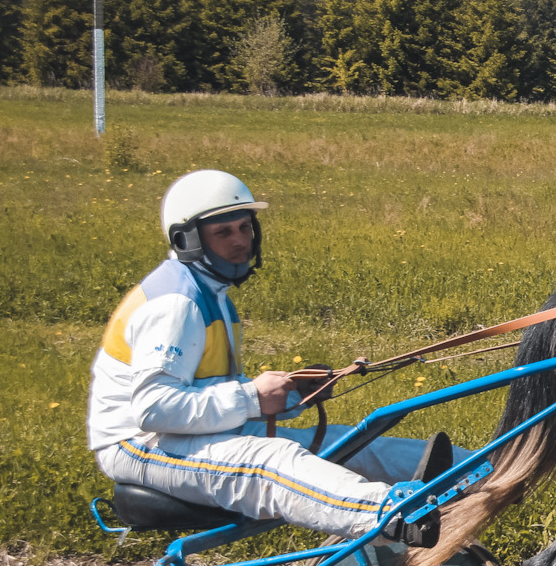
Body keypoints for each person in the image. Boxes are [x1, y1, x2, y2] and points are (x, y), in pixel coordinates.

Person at [88, 169, 451, 544]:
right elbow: (153, 409)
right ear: (189, 240)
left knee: (350, 444)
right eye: (224, 233)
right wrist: (252, 398)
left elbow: (205, 393)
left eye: (245, 228)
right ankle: (394, 514)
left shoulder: (210, 294)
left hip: (183, 434)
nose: (241, 242)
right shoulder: (177, 303)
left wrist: (293, 392)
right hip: (137, 444)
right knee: (271, 463)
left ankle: (482, 467)